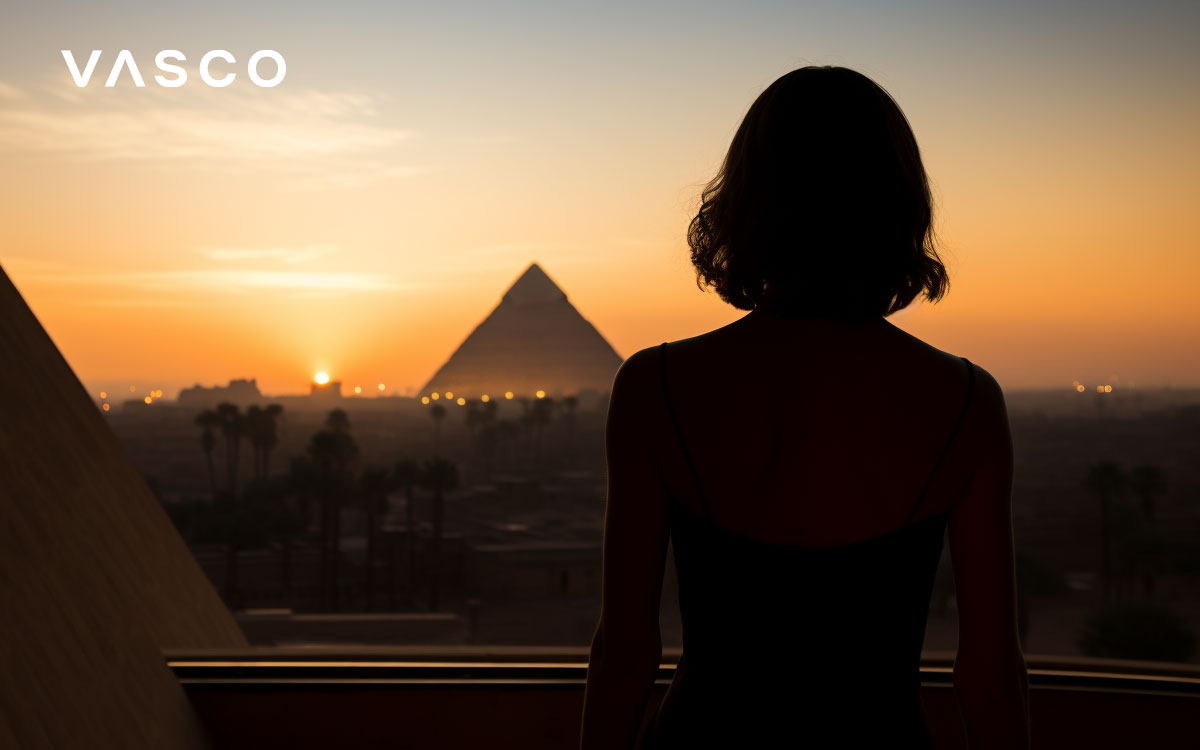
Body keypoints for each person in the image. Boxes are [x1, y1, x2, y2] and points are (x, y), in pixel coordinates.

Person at [580, 66, 1029, 748]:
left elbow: (626, 654)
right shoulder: (965, 401)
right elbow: (990, 674)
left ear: (747, 203)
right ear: (898, 204)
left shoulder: (655, 386)